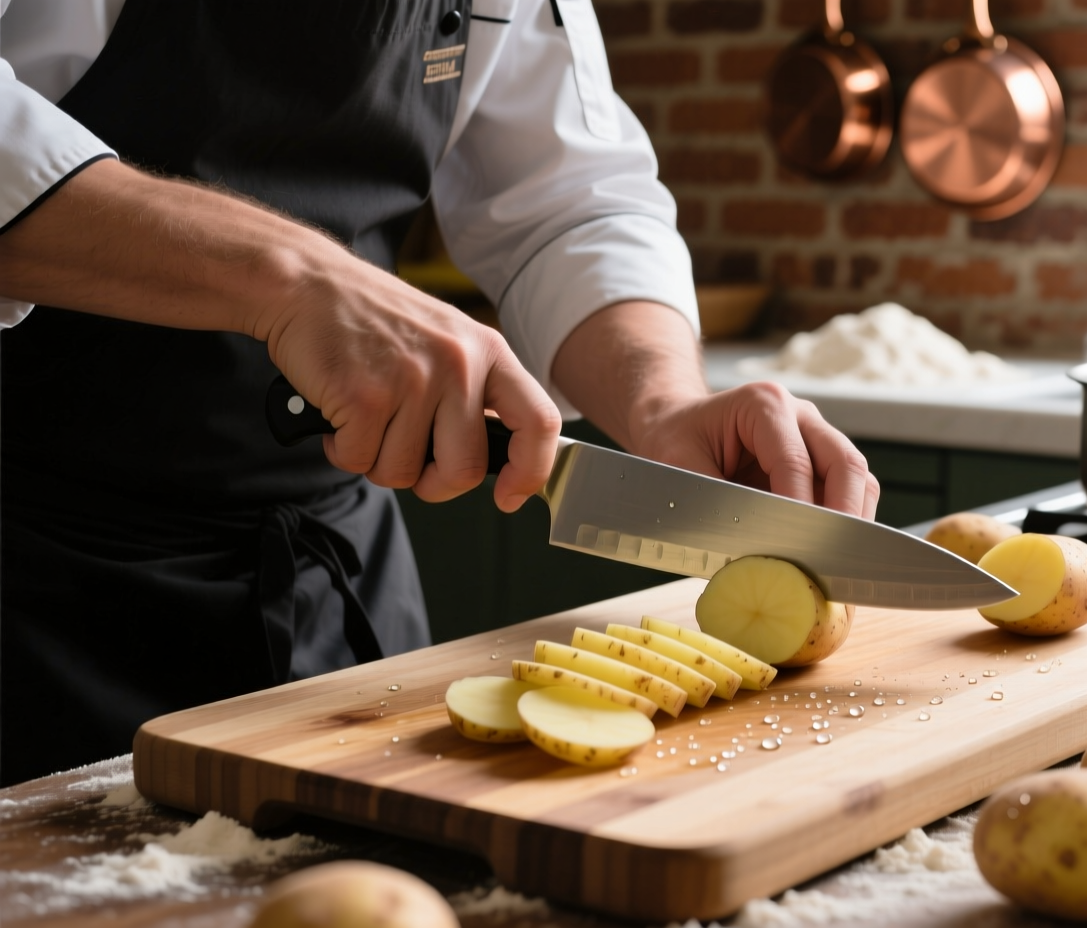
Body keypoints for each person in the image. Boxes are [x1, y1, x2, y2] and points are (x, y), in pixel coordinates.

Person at [0, 0, 879, 786]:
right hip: (32, 581)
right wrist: (295, 276)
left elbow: (568, 201)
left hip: (331, 571)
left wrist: (662, 401)